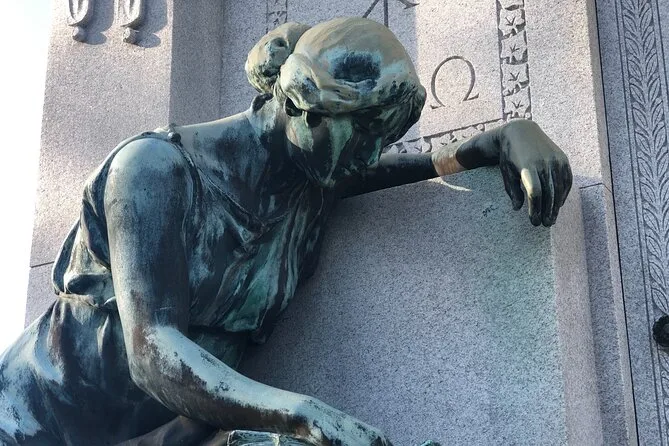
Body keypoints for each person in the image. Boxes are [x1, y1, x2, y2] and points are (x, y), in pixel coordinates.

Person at [0, 17, 572, 446]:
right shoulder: (152, 171)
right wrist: (304, 415)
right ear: (304, 108)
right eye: (365, 135)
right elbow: (152, 352)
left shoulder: (313, 179)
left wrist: (500, 139)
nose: (370, 154)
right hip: (27, 425)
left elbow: (411, 166)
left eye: (381, 139)